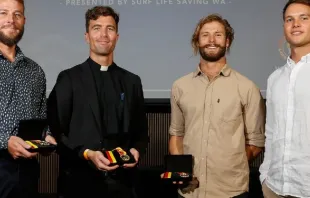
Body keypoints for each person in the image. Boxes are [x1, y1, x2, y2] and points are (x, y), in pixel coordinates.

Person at [47, 6, 149, 198]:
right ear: (87, 36)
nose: (103, 34)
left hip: (123, 186)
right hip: (79, 184)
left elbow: (141, 132)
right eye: (96, 28)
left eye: (110, 28)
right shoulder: (69, 79)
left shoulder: (132, 81)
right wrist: (86, 153)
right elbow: (57, 132)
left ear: (117, 37)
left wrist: (136, 150)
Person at [168, 14, 266, 198]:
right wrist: (182, 171)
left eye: (218, 35)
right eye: (205, 35)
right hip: (190, 192)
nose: (211, 40)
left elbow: (255, 143)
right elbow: (176, 135)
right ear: (197, 42)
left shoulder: (247, 87)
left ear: (227, 42)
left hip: (231, 191)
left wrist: (230, 165)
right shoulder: (179, 86)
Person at [0, 0, 56, 198]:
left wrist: (45, 137)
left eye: (17, 14)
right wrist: (5, 141)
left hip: (27, 173)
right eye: (3, 13)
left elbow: (40, 117)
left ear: (24, 20)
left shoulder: (35, 71)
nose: (11, 20)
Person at [259, 0, 310, 197]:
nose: (295, 24)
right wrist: (265, 175)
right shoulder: (275, 79)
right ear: (284, 27)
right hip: (275, 187)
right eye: (290, 19)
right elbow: (271, 133)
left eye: (303, 18)